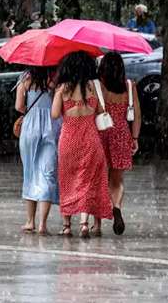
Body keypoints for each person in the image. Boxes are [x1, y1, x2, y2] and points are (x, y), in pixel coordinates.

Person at [51, 51, 113, 238]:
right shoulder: (94, 88)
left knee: (68, 181)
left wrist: (59, 95)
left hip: (69, 141)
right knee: (87, 181)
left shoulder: (63, 89)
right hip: (90, 141)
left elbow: (54, 115)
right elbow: (101, 112)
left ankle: (67, 225)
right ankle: (85, 223)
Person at [96, 52, 141, 236]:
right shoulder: (129, 86)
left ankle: (96, 223)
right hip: (122, 133)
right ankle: (116, 207)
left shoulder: (98, 86)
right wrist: (135, 137)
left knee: (99, 179)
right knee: (117, 180)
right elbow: (137, 115)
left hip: (101, 133)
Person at [15, 66, 62, 236]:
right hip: (52, 126)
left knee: (30, 172)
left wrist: (32, 110)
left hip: (30, 128)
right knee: (48, 174)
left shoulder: (25, 78)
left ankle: (30, 221)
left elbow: (19, 106)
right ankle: (43, 223)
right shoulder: (55, 79)